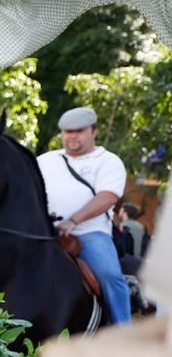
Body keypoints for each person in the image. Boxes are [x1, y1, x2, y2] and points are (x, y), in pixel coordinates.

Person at [37, 106, 131, 324]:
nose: (72, 136)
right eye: (67, 131)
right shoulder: (45, 160)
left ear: (94, 132)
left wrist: (73, 221)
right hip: (43, 231)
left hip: (88, 232)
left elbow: (108, 197)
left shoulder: (108, 161)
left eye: (79, 130)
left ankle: (124, 332)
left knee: (109, 275)